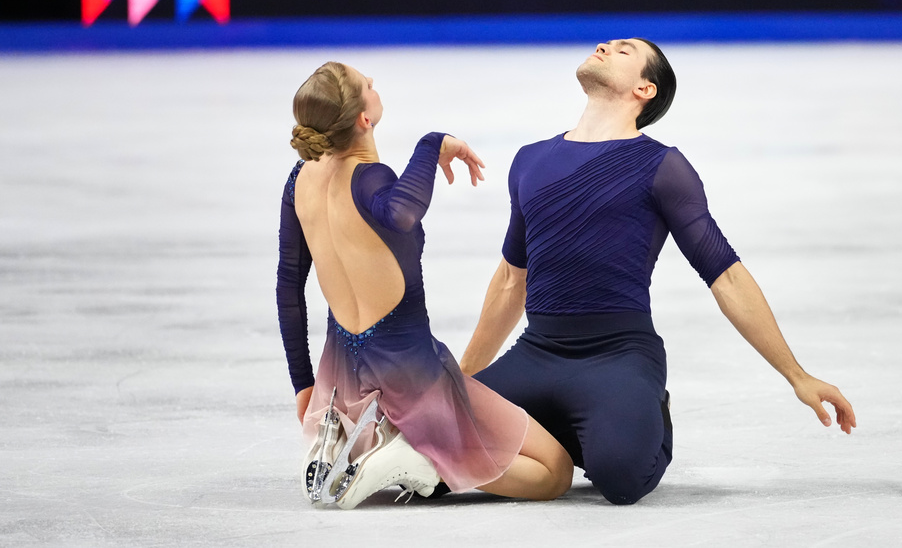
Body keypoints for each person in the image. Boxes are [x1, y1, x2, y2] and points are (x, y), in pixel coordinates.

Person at [460, 38, 857, 506]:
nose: (606, 46)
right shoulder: (530, 159)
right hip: (537, 353)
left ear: (645, 89)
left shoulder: (661, 167)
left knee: (621, 481)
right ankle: (561, 436)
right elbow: (511, 280)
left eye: (624, 50)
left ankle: (641, 414)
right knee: (427, 437)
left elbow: (726, 276)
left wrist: (797, 375)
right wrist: (460, 383)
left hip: (616, 357)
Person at [276, 61, 572, 509]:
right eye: (368, 84)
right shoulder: (371, 179)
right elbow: (401, 213)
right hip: (413, 380)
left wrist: (303, 383)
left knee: (521, 459)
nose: (375, 84)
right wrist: (432, 143)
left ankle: (352, 440)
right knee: (555, 471)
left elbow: (288, 287)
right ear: (363, 118)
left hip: (344, 389)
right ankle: (419, 458)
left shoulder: (300, 180)